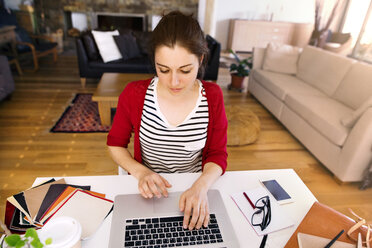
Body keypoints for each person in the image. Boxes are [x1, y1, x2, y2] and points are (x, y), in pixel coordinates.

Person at [107, 10, 227, 231]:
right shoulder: (134, 94)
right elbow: (115, 144)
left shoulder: (213, 96)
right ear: (154, 61)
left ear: (200, 60)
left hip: (194, 187)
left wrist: (201, 186)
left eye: (185, 70)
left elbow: (217, 154)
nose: (174, 81)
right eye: (163, 70)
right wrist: (141, 172)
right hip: (147, 190)